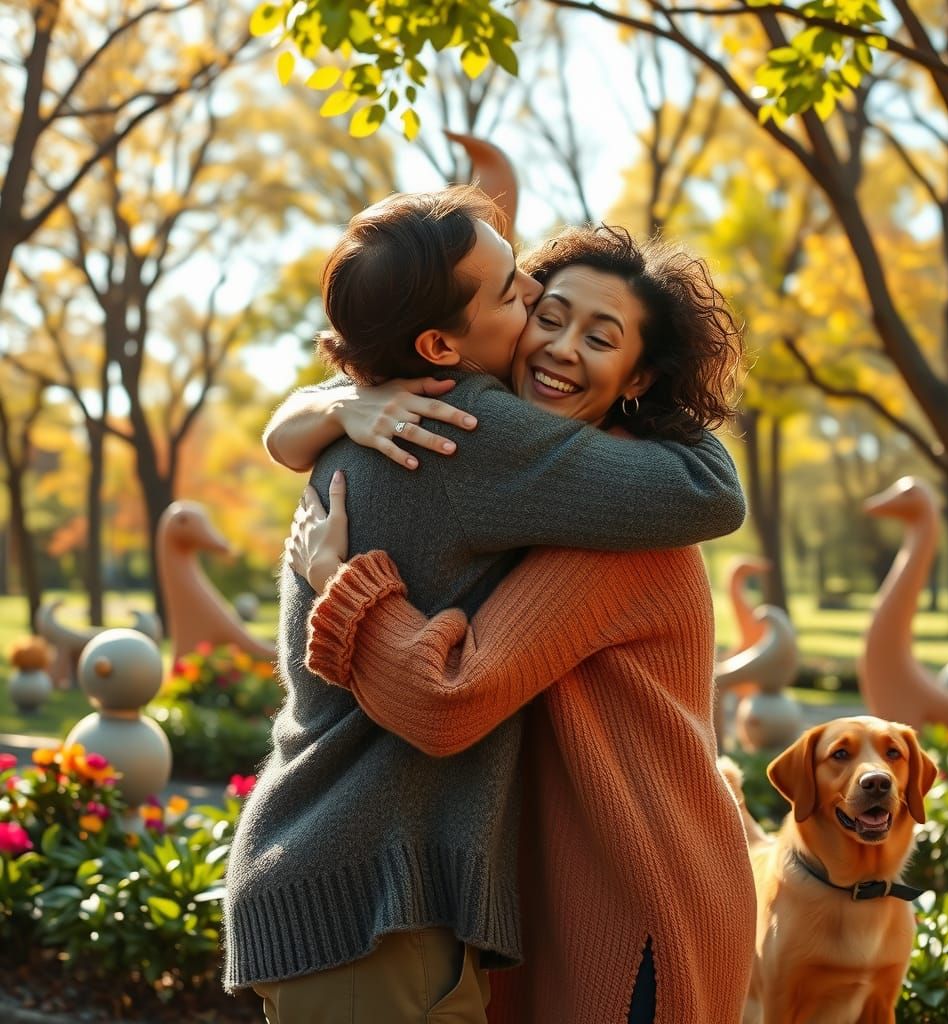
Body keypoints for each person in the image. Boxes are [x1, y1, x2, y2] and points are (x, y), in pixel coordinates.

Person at [223, 188, 747, 1024]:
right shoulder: (476, 434)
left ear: (640, 375)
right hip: (371, 887)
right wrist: (326, 411)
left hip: (610, 892)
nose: (538, 311)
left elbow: (708, 491)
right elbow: (707, 484)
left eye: (600, 336)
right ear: (440, 343)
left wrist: (327, 420)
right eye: (526, 299)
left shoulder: (423, 417)